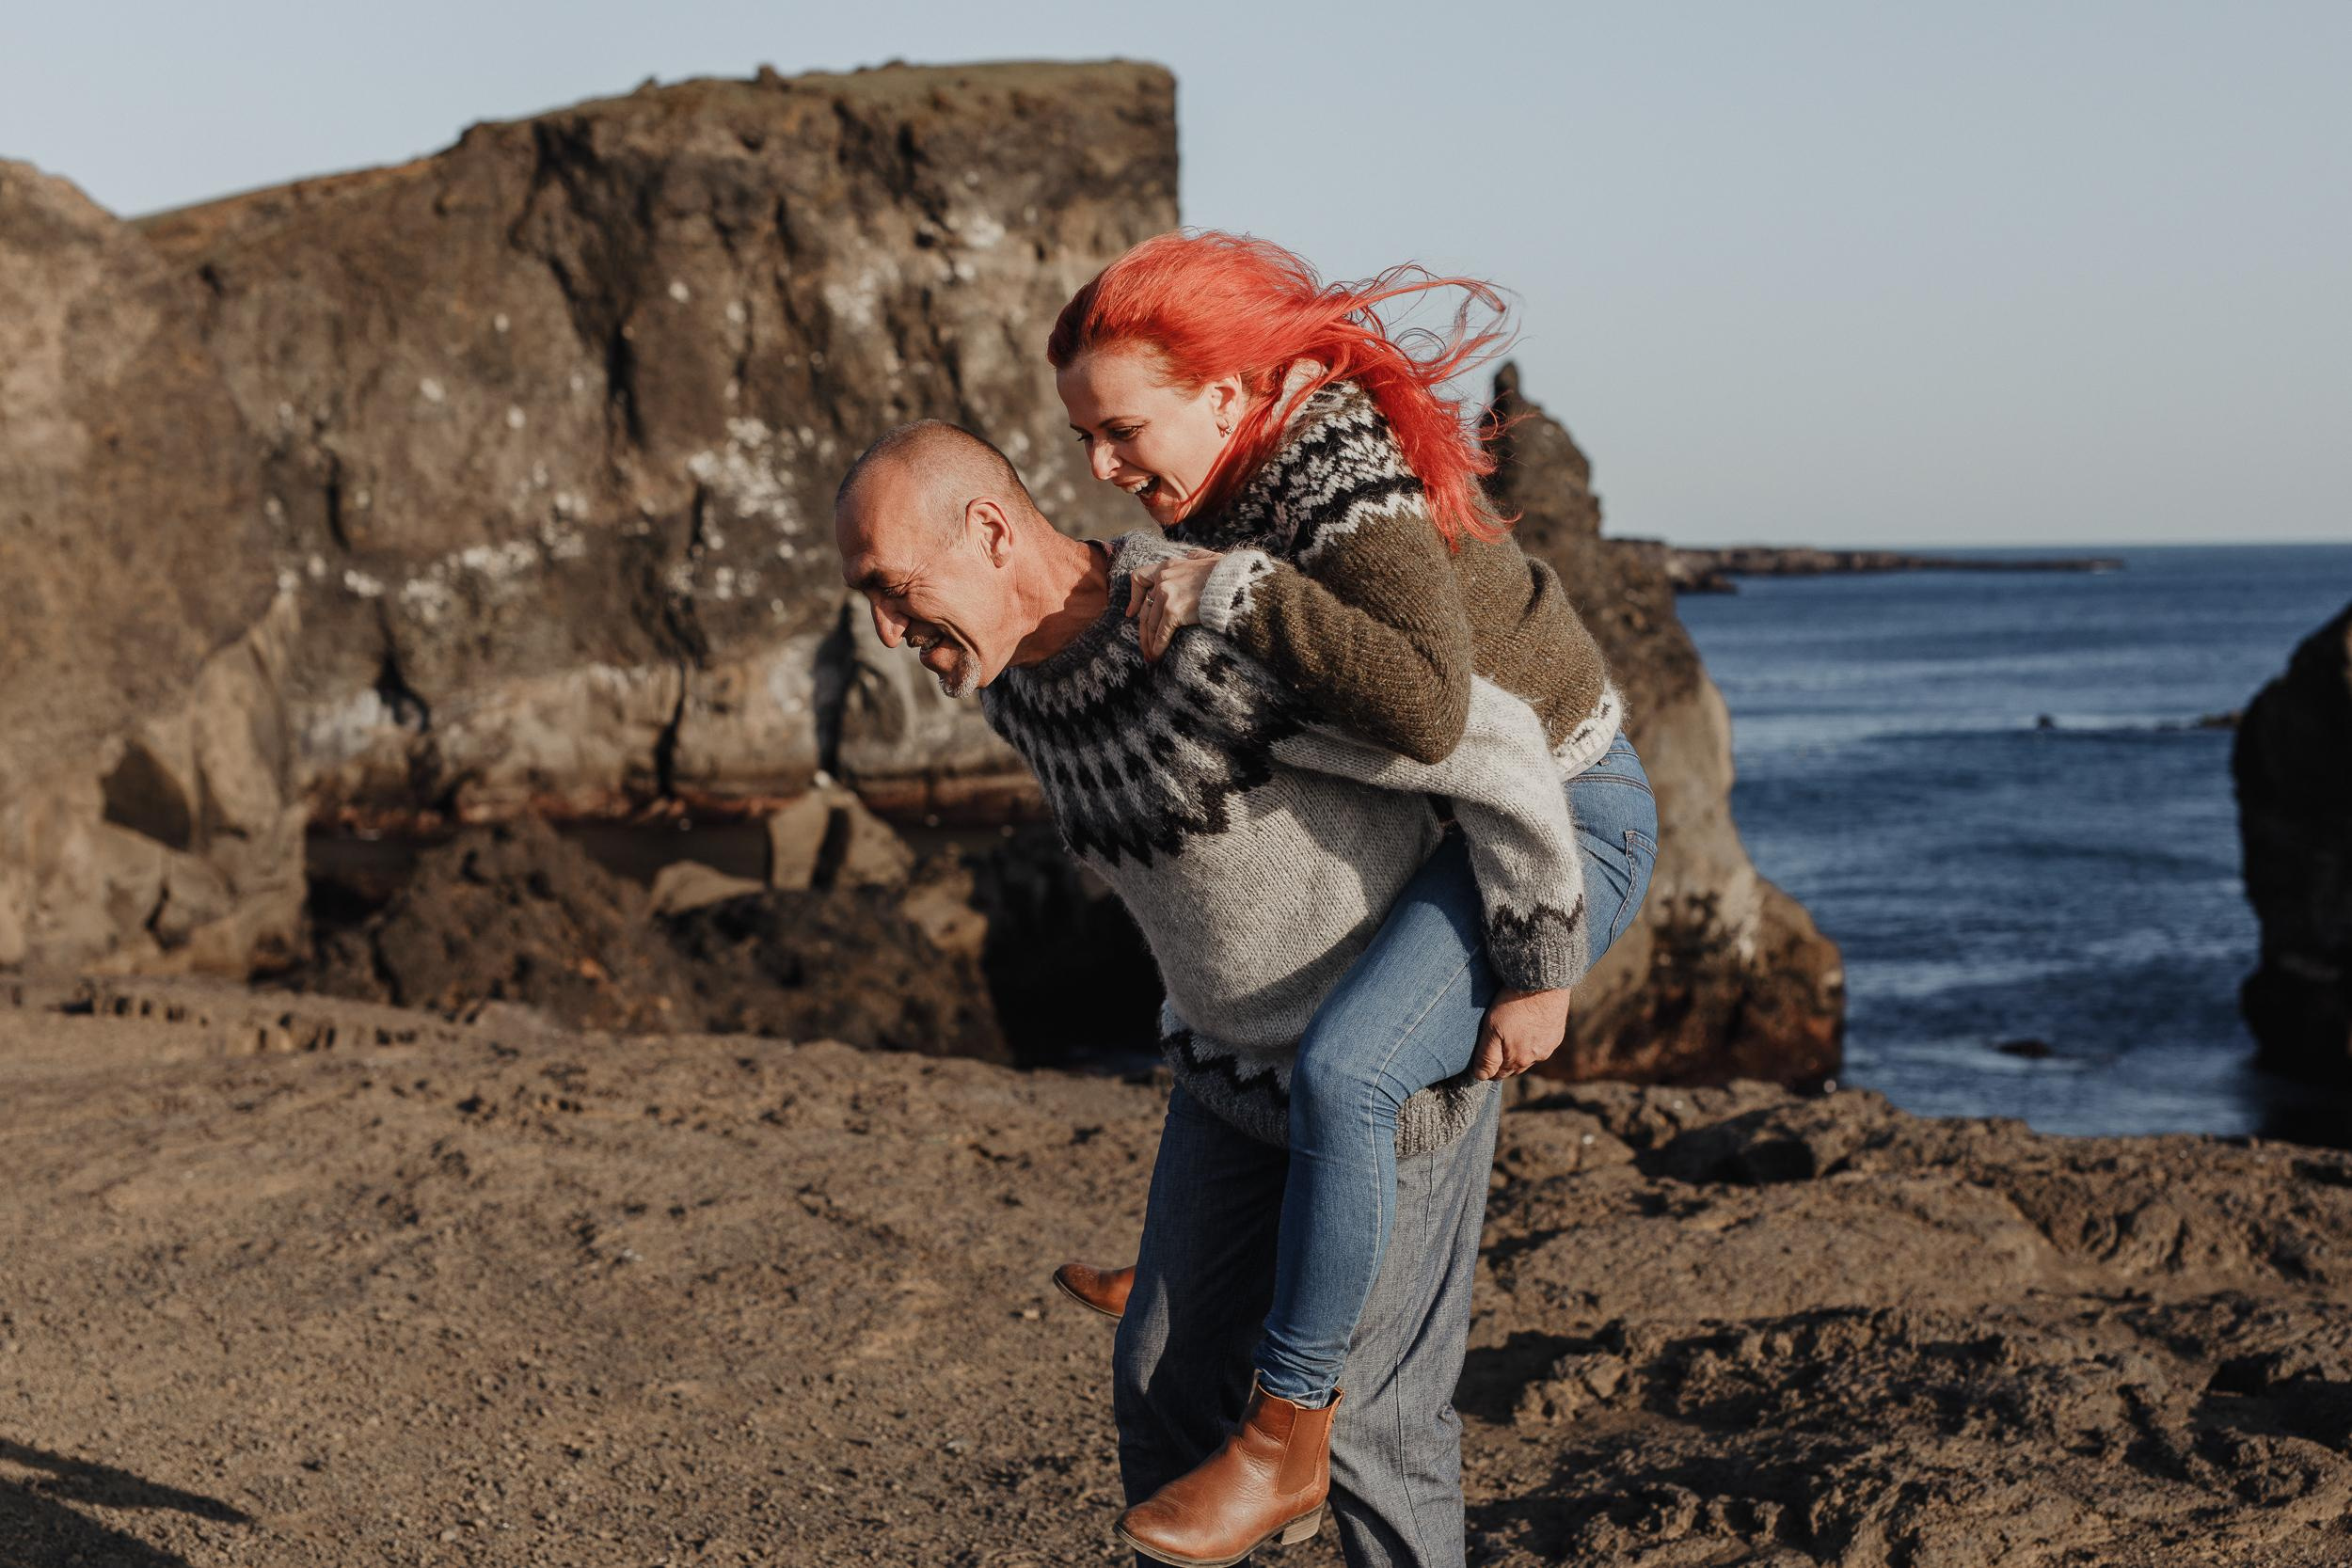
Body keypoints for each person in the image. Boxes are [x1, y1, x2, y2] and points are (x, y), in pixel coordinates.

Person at [834, 421, 1652, 1568]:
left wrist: (1535, 964)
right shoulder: (1014, 691)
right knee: (1162, 1373)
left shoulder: (1195, 643)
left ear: (988, 528)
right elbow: (1182, 890)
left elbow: (1499, 744)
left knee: (1373, 1426)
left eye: (891, 585)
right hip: (1229, 1074)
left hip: (1380, 1069)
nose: (882, 626)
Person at [1041, 232, 1658, 1560]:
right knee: (1254, 1114)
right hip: (1453, 828)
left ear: (1228, 388)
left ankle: (1289, 1420)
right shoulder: (1215, 484)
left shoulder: (1331, 474)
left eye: (1120, 428)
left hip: (1559, 814)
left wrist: (1539, 954)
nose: (1103, 464)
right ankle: (1209, 1288)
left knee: (1352, 1073)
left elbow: (1437, 711)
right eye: (1084, 437)